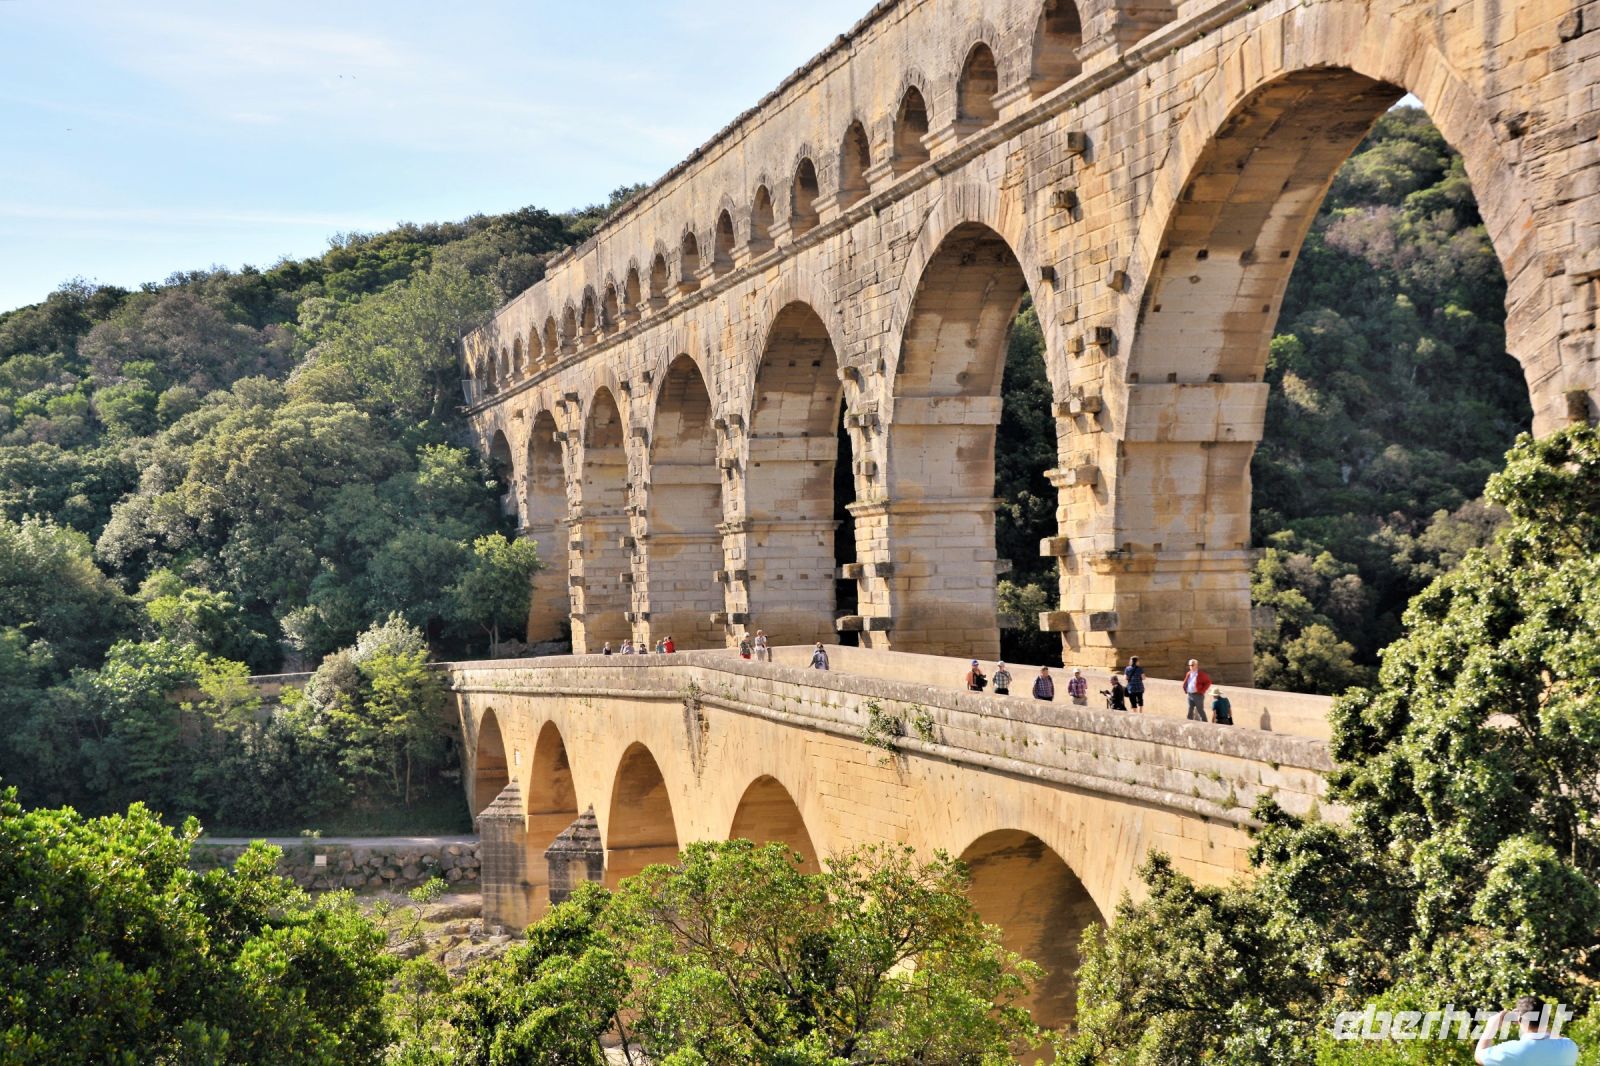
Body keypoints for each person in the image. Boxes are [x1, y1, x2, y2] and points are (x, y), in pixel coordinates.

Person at [1475, 997, 1579, 1065]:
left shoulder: (1509, 1050)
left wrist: (1491, 1027)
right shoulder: (1569, 1047)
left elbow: (1479, 1055)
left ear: (1519, 1019)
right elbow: (1556, 1037)